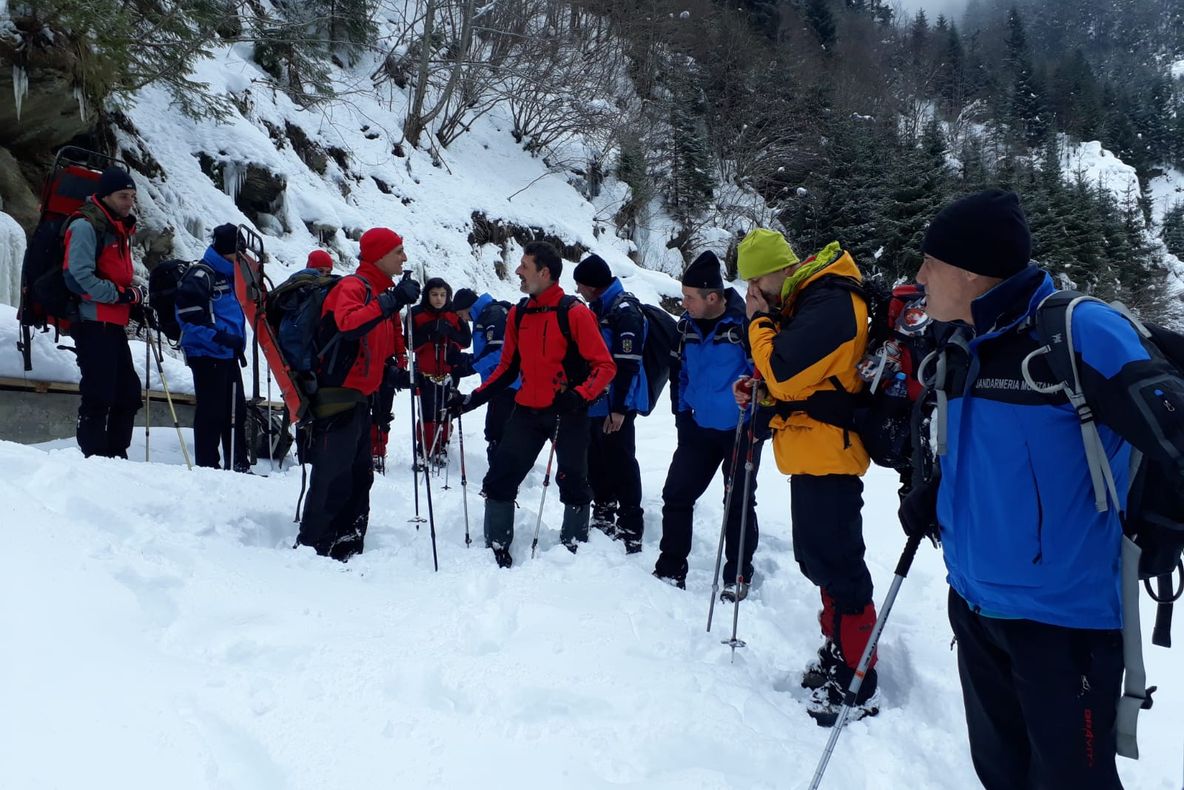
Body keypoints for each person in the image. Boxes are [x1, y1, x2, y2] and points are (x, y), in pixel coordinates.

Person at [899, 189, 1184, 789]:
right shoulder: (957, 342)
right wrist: (930, 489)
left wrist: (1164, 523)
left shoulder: (1080, 335)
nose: (919, 274)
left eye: (931, 261)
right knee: (1001, 775)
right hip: (975, 609)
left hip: (1064, 629)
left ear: (973, 271)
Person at [735, 231, 879, 726]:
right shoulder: (808, 302)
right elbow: (796, 381)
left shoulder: (831, 302)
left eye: (756, 281)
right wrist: (762, 391)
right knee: (818, 559)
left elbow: (783, 370)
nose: (755, 292)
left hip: (831, 454)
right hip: (811, 451)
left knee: (840, 565)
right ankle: (840, 650)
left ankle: (859, 676)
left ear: (777, 270)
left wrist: (758, 322)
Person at [451, 241, 615, 568]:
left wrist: (580, 396)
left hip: (567, 412)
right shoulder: (519, 312)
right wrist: (472, 399)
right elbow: (507, 368)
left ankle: (574, 548)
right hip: (526, 410)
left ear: (544, 272)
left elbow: (605, 366)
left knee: (573, 480)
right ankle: (497, 545)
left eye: (524, 266)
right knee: (500, 476)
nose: (517, 272)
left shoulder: (574, 313)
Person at [295, 227, 419, 561]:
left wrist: (397, 376)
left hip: (360, 401)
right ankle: (313, 547)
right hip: (336, 400)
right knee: (332, 475)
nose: (404, 258)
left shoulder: (378, 294)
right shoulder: (354, 287)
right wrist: (393, 300)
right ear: (378, 255)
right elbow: (348, 324)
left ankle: (348, 541)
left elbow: (366, 355)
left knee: (359, 475)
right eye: (398, 251)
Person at [653, 251, 763, 597]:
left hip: (740, 431)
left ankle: (738, 576)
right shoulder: (685, 328)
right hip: (697, 432)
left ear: (712, 297)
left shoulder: (744, 325)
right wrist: (682, 417)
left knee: (738, 503)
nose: (683, 303)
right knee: (676, 494)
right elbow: (679, 375)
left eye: (689, 297)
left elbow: (764, 375)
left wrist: (758, 419)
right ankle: (671, 567)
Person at [62, 165, 144, 459]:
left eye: (132, 196)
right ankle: (94, 459)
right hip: (92, 321)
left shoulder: (118, 229)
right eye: (123, 196)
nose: (129, 202)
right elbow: (77, 277)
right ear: (106, 196)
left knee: (128, 394)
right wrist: (120, 295)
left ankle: (116, 455)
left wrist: (131, 300)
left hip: (113, 323)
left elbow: (116, 275)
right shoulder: (85, 226)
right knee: (99, 394)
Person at [572, 254, 648, 554]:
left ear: (592, 285)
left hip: (616, 406)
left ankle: (631, 525)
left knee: (622, 463)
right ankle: (603, 510)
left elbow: (629, 364)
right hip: (596, 402)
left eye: (580, 284)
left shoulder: (624, 311)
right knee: (596, 461)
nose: (578, 290)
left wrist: (620, 409)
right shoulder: (599, 307)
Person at [174, 223, 250, 471]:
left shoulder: (230, 275)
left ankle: (238, 463)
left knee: (236, 411)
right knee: (212, 411)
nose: (242, 257)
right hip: (207, 353)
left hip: (229, 352)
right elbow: (187, 318)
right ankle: (208, 466)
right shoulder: (202, 275)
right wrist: (219, 337)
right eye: (238, 252)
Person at [449, 288, 517, 463]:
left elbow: (499, 350)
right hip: (501, 383)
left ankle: (500, 481)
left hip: (506, 384)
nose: (462, 319)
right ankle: (501, 479)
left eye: (461, 314)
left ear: (467, 307)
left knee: (498, 433)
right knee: (498, 431)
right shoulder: (486, 314)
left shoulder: (492, 314)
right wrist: (468, 360)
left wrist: (471, 366)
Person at [410, 277, 472, 466]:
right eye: (434, 294)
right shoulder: (416, 313)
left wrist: (450, 332)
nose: (438, 299)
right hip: (425, 372)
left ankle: (441, 446)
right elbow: (410, 343)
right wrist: (429, 332)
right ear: (427, 295)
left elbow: (465, 341)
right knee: (426, 412)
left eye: (443, 295)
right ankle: (424, 447)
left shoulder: (453, 314)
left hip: (448, 372)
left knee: (445, 411)